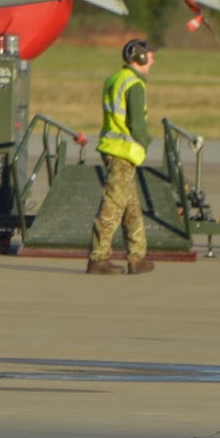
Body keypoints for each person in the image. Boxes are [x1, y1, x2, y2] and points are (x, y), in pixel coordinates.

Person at [86, 38, 157, 275]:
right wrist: (146, 142)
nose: (153, 59)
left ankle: (137, 258)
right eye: (150, 55)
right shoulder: (134, 84)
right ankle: (98, 258)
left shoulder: (115, 79)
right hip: (123, 153)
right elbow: (136, 123)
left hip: (112, 148)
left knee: (131, 208)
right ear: (141, 58)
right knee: (113, 206)